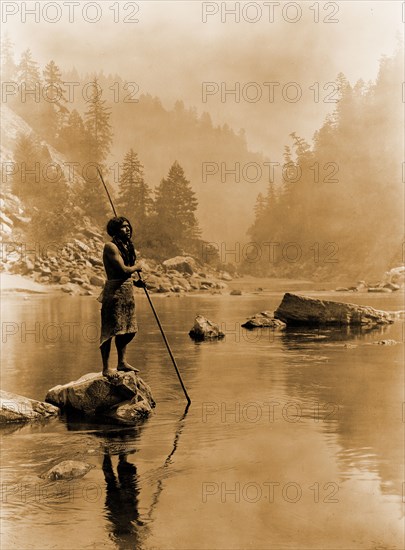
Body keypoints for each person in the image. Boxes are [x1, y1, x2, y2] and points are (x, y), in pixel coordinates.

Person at [98, 216, 146, 378]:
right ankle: (105, 368)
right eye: (123, 227)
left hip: (127, 292)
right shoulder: (110, 246)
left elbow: (127, 275)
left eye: (128, 226)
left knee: (128, 329)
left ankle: (121, 362)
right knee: (110, 330)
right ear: (115, 231)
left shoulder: (127, 246)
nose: (128, 229)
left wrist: (137, 284)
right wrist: (137, 267)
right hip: (114, 293)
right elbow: (123, 270)